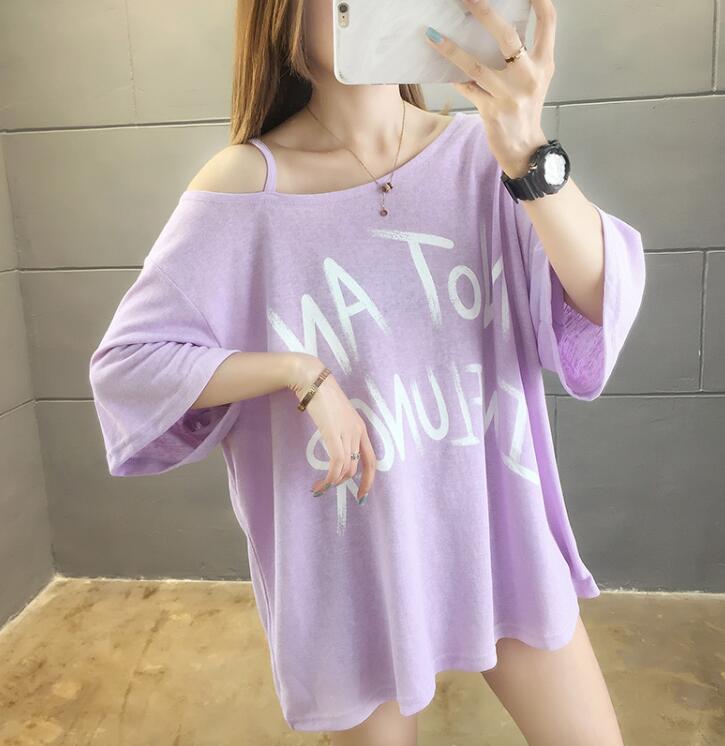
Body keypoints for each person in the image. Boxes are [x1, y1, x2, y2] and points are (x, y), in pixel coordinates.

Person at [88, 0, 645, 743]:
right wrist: (297, 372)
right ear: (284, 15)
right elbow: (128, 366)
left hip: (497, 534)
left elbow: (601, 300)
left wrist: (526, 150)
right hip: (353, 567)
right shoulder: (246, 188)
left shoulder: (484, 154)